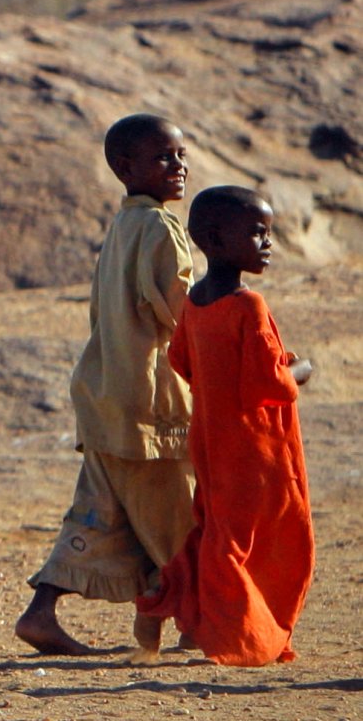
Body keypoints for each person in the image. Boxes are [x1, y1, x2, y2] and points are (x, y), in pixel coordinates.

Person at [15, 113, 196, 658]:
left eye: (181, 156)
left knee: (99, 516)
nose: (179, 167)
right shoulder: (161, 230)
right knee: (178, 523)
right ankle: (197, 619)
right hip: (149, 408)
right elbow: (182, 315)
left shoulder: (123, 226)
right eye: (164, 157)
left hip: (102, 398)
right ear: (124, 167)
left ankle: (40, 613)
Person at [135, 187, 314, 666]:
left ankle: (173, 602)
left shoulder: (194, 303)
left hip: (211, 442)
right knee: (256, 540)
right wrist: (300, 369)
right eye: (257, 233)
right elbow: (268, 383)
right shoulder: (247, 305)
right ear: (215, 239)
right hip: (255, 449)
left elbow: (182, 360)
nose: (267, 243)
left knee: (216, 530)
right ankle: (234, 633)